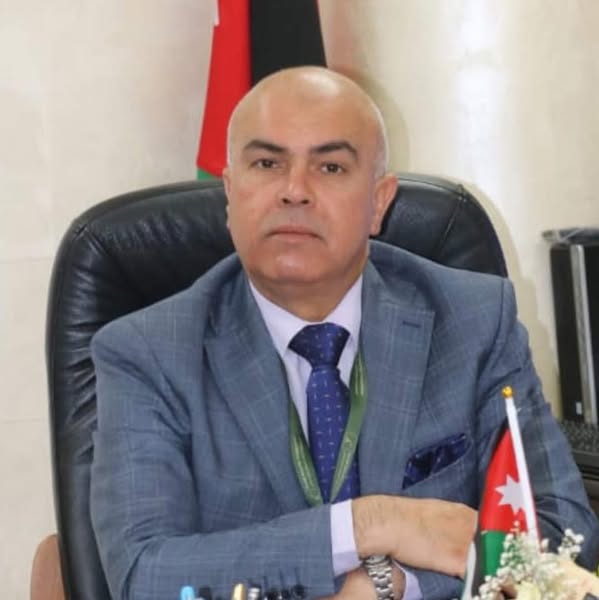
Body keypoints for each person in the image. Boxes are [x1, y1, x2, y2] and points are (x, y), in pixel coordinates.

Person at [90, 66, 599, 600]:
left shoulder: (473, 320)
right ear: (230, 192)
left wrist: (395, 585)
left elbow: (561, 531)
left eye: (330, 167)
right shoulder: (147, 353)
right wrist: (370, 524)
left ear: (379, 202)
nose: (294, 191)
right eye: (267, 163)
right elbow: (145, 574)